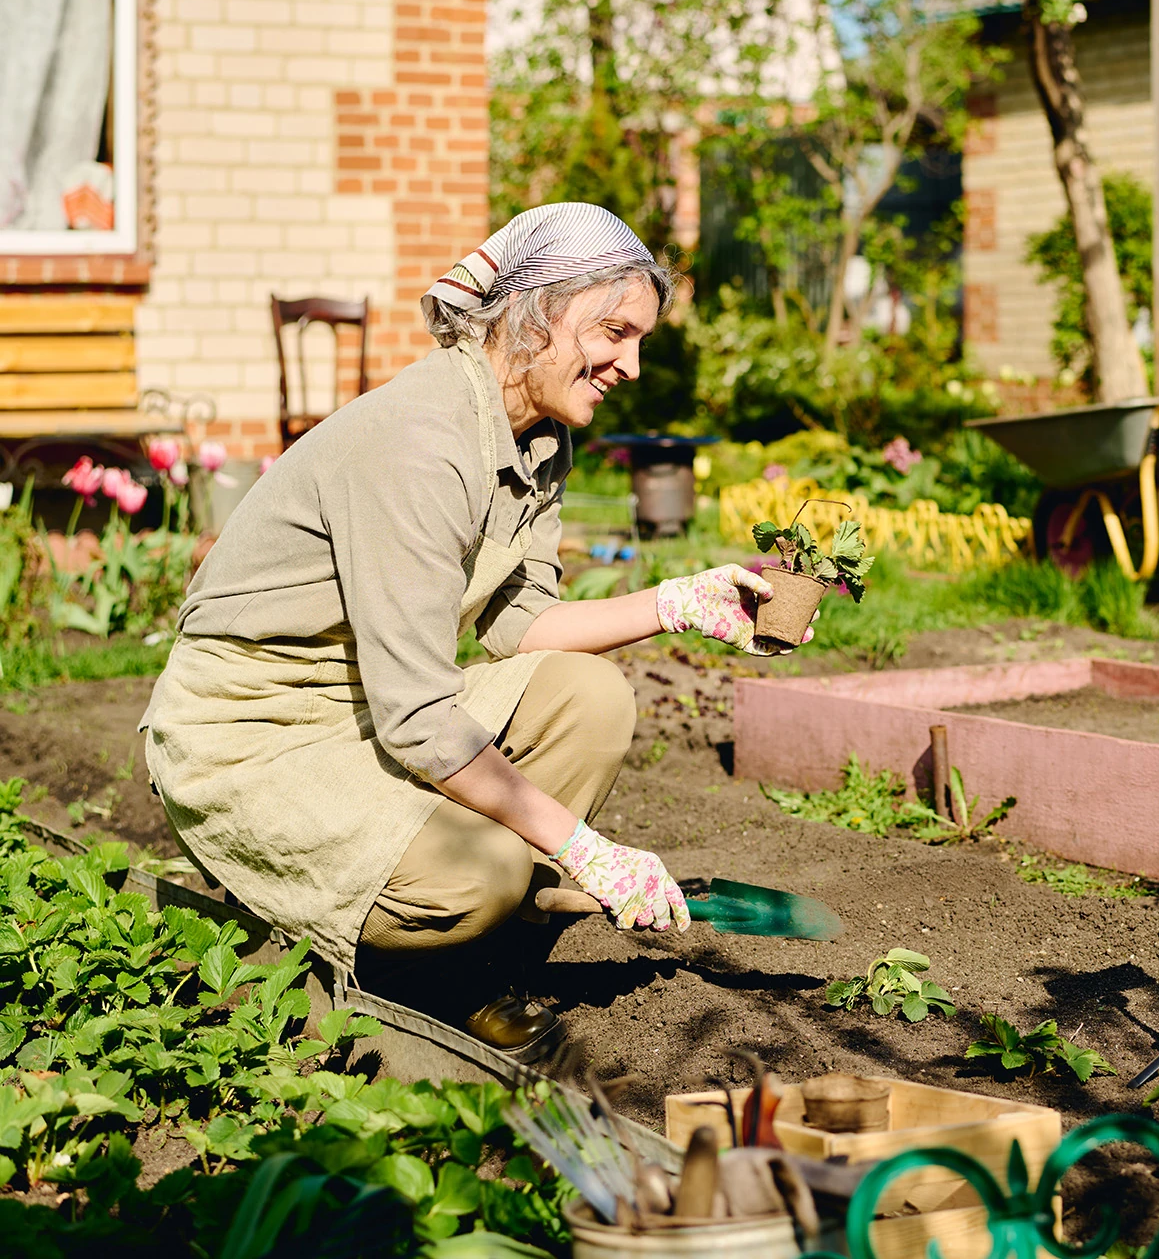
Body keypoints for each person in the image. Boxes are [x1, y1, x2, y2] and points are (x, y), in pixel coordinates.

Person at [141, 204, 807, 1054]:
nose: (632, 366)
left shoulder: (538, 440)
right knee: (485, 868)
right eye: (614, 332)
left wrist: (676, 603)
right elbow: (420, 719)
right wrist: (583, 849)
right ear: (535, 313)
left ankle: (484, 961)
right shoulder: (419, 443)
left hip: (364, 705)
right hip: (252, 735)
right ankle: (423, 965)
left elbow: (518, 626)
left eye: (641, 340)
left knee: (589, 697)